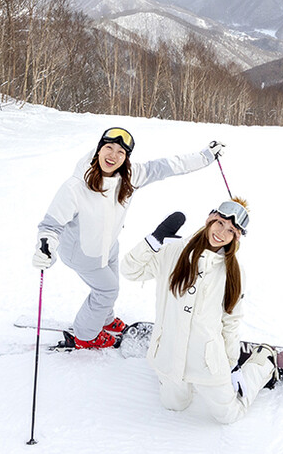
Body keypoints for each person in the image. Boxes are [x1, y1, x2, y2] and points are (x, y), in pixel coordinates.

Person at [32, 126, 225, 349]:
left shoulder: (130, 177)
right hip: (83, 252)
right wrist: (44, 247)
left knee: (109, 288)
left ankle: (103, 318)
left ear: (126, 158)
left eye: (121, 152)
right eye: (109, 148)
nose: (113, 156)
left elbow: (170, 166)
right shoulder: (75, 187)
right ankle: (85, 336)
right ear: (98, 150)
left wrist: (205, 157)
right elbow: (50, 226)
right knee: (107, 290)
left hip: (109, 246)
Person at [122, 198, 277, 423]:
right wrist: (153, 240)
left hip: (207, 361)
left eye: (230, 230)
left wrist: (233, 365)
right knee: (174, 405)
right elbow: (130, 271)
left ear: (236, 237)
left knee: (228, 415)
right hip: (170, 353)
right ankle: (171, 376)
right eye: (220, 223)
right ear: (210, 219)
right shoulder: (173, 251)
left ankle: (263, 362)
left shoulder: (233, 272)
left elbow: (231, 321)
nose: (222, 233)